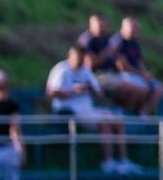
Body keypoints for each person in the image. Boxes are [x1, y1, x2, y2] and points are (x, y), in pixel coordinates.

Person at [47, 45, 135, 173]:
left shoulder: (85, 70)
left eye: (82, 59)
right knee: (103, 124)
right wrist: (72, 91)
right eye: (77, 59)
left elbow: (99, 95)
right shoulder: (61, 70)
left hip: (88, 110)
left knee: (118, 121)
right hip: (69, 111)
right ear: (70, 57)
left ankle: (123, 161)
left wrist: (91, 89)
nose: (80, 62)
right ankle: (107, 162)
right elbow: (50, 92)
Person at [104, 16, 163, 116]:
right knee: (141, 89)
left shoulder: (134, 41)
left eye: (136, 27)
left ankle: (143, 114)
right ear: (124, 27)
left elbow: (139, 61)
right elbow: (122, 66)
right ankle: (126, 112)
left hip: (136, 74)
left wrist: (145, 74)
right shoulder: (117, 41)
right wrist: (141, 74)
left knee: (158, 89)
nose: (135, 30)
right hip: (120, 75)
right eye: (133, 27)